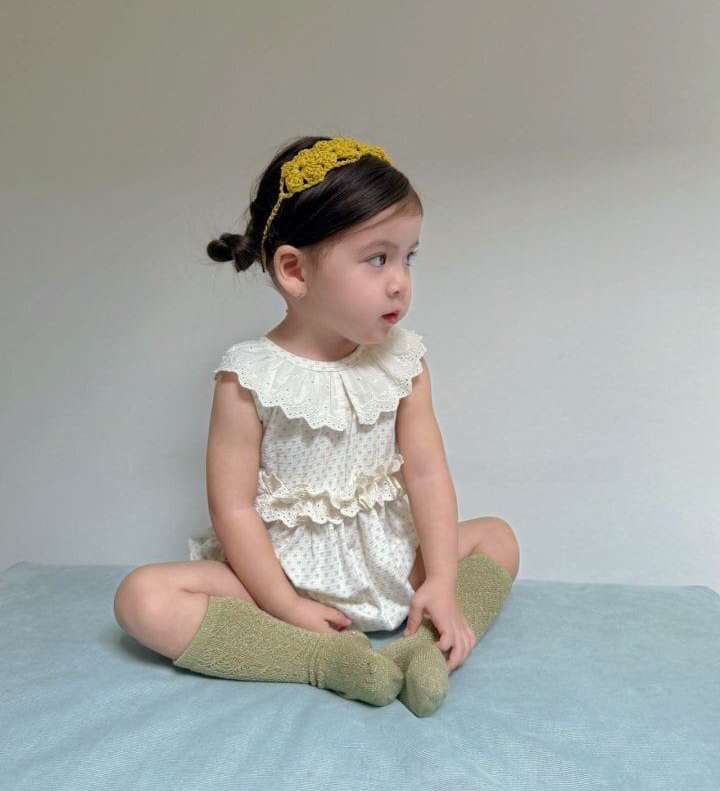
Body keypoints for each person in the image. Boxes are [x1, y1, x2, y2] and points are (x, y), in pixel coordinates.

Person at [114, 136, 519, 717]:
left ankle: (431, 643)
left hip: (391, 562)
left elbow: (428, 474)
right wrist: (285, 605)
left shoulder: (404, 361)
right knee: (143, 598)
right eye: (377, 258)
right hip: (282, 578)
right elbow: (234, 509)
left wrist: (442, 580)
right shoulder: (247, 377)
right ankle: (320, 659)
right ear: (294, 270)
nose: (400, 281)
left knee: (499, 537)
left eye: (408, 257)